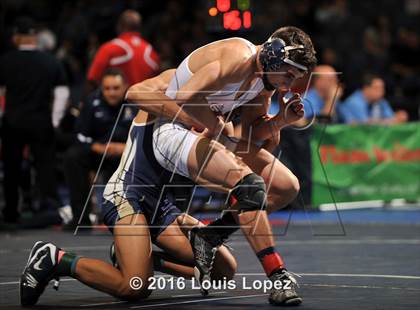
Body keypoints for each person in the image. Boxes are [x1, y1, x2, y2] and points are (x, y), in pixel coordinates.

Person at [126, 26, 317, 305]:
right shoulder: (236, 56)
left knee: (286, 186)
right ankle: (277, 276)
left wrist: (280, 121)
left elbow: (251, 135)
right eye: (288, 75)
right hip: (170, 131)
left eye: (295, 79)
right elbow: (185, 99)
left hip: (204, 132)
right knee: (250, 187)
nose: (288, 85)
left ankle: (210, 235)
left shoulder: (264, 81)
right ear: (274, 55)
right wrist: (217, 126)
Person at [0, 17, 69, 226]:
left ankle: (11, 210)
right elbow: (62, 93)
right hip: (40, 121)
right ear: (34, 37)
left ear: (17, 38)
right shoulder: (49, 61)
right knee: (45, 166)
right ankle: (48, 209)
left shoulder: (5, 60)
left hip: (13, 122)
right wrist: (55, 120)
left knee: (12, 166)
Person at [63, 69, 136, 229]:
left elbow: (146, 137)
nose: (111, 93)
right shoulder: (91, 102)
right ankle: (80, 217)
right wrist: (99, 147)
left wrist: (124, 148)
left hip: (127, 155)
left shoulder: (135, 104)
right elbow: (80, 135)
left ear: (125, 86)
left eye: (116, 88)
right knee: (73, 157)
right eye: (107, 88)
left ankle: (132, 215)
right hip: (99, 153)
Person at [86, 9, 160, 89]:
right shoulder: (151, 52)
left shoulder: (109, 48)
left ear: (119, 27)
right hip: (145, 99)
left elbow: (92, 79)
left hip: (117, 100)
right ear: (139, 27)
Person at [338, 74, 408, 124]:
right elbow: (366, 125)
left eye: (383, 88)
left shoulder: (382, 102)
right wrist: (391, 121)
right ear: (366, 88)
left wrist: (398, 118)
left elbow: (392, 119)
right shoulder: (354, 102)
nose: (382, 91)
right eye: (377, 88)